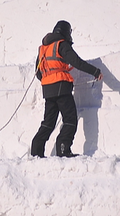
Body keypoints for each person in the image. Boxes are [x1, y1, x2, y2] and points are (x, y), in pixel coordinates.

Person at [30, 20, 102, 158]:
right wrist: (95, 72)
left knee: (48, 122)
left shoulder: (43, 48)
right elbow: (77, 62)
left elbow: (38, 72)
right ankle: (63, 149)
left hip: (48, 89)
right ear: (66, 32)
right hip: (62, 87)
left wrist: (49, 80)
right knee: (70, 119)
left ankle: (36, 151)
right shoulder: (61, 45)